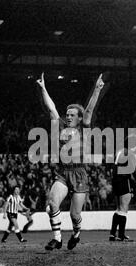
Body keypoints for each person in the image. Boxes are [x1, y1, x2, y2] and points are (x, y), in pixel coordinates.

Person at [36, 72, 105, 251]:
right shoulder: (60, 126)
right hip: (63, 172)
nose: (68, 117)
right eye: (67, 114)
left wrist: (97, 89)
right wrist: (43, 88)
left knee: (75, 215)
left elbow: (89, 110)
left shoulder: (84, 128)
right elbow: (51, 109)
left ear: (79, 118)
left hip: (79, 173)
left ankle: (76, 234)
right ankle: (57, 239)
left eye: (72, 115)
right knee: (52, 202)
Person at [109, 140, 136, 242]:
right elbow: (134, 171)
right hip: (123, 181)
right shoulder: (129, 154)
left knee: (118, 208)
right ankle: (121, 236)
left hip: (115, 181)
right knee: (123, 209)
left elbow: (113, 167)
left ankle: (113, 234)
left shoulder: (119, 152)